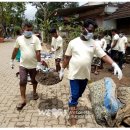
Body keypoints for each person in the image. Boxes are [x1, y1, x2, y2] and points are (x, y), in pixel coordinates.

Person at [59, 19, 123, 126]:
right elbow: (66, 57)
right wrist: (61, 69)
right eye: (88, 30)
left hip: (85, 76)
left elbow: (104, 55)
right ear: (82, 29)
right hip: (74, 75)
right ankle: (73, 120)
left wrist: (114, 64)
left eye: (92, 31)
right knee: (74, 96)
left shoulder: (93, 43)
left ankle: (73, 101)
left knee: (79, 93)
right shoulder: (73, 42)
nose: (90, 33)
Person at [10, 22, 43, 110]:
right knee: (22, 81)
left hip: (34, 65)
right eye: (28, 30)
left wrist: (39, 63)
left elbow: (38, 52)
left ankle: (34, 92)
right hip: (23, 65)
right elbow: (15, 50)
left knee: (34, 80)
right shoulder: (19, 39)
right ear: (23, 29)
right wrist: (12, 60)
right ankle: (23, 99)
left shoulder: (35, 39)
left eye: (31, 30)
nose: (29, 31)